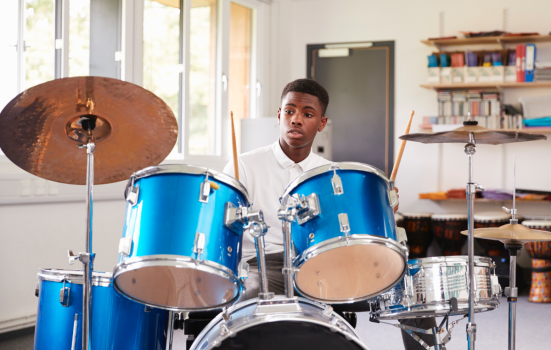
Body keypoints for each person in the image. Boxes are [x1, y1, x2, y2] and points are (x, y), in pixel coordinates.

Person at [223, 78, 435, 350]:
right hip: (263, 264)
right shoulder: (244, 166)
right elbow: (224, 220)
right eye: (289, 111)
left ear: (321, 123)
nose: (296, 120)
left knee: (413, 288)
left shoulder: (331, 173)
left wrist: (381, 206)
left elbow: (350, 227)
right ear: (279, 115)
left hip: (323, 262)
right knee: (249, 294)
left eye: (307, 114)